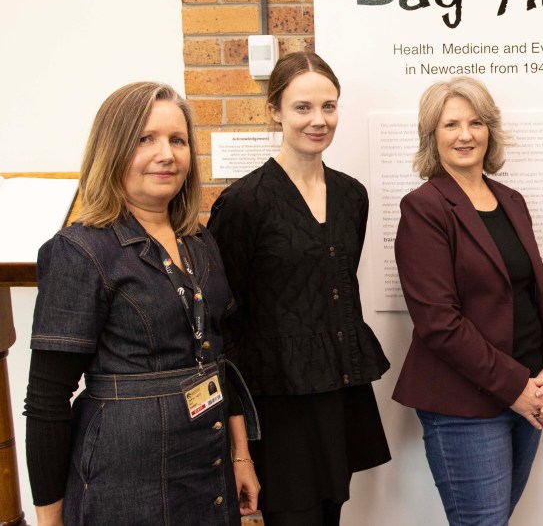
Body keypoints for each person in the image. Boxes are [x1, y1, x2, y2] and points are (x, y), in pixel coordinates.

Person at [24, 82, 260, 525]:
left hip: (206, 471)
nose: (167, 154)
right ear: (112, 150)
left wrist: (241, 456)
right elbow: (46, 400)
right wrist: (49, 519)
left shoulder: (199, 242)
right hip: (124, 483)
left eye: (178, 140)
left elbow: (217, 356)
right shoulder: (80, 251)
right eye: (144, 139)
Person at [208, 52, 390, 525]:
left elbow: (338, 286)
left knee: (332, 513)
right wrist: (238, 442)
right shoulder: (245, 202)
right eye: (303, 108)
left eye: (329, 107)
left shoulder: (352, 195)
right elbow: (226, 320)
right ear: (275, 110)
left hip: (336, 390)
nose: (319, 120)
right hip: (276, 401)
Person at [392, 77, 543, 526]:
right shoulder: (424, 207)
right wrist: (516, 388)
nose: (465, 134)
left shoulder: (511, 200)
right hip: (464, 406)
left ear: (491, 130)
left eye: (476, 122)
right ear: (433, 135)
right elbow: (439, 323)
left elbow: (539, 292)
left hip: (529, 392)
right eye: (450, 124)